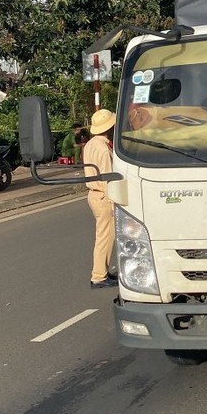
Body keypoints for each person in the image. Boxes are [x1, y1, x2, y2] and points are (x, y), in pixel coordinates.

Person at [83, 108, 117, 289]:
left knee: (103, 236)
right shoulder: (103, 149)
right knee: (105, 237)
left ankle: (102, 271)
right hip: (103, 195)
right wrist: (113, 202)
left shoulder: (91, 144)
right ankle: (98, 276)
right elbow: (107, 177)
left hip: (94, 194)